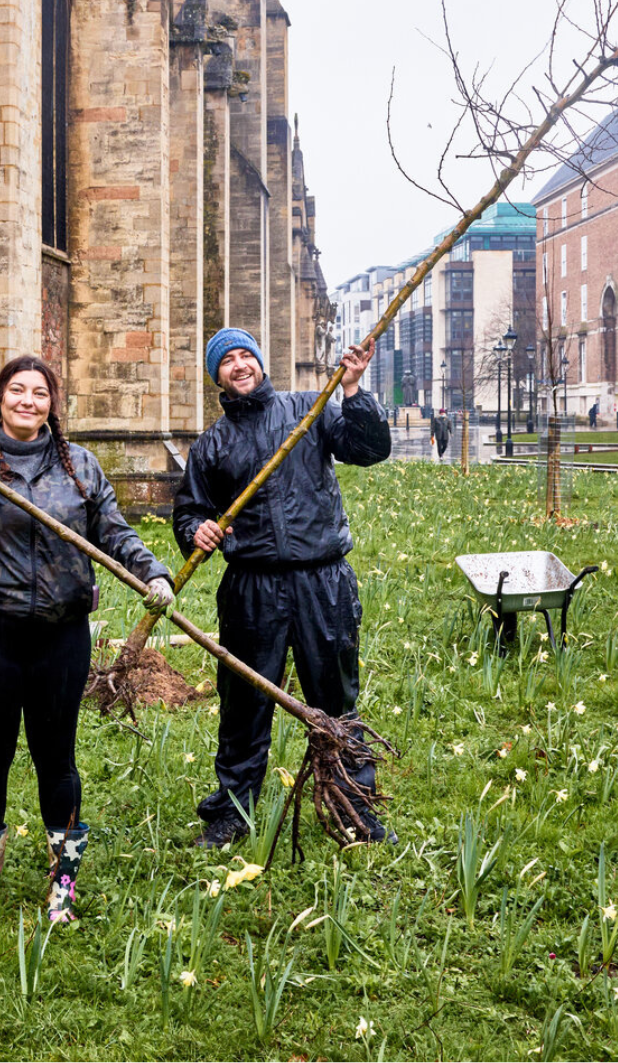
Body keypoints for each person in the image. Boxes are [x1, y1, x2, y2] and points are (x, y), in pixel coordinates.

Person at [0, 355, 175, 926]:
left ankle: (62, 885)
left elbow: (112, 530)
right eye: (17, 390)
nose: (27, 401)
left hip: (60, 635)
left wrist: (152, 572)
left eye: (39, 393)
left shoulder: (80, 465)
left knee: (56, 759)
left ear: (51, 405)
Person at [174, 327, 394, 849]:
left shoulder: (308, 408)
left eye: (246, 354)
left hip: (323, 581)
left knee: (335, 698)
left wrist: (354, 392)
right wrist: (195, 532)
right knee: (244, 702)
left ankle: (352, 809)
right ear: (217, 377)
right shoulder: (211, 445)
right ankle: (231, 812)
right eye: (226, 361)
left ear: (260, 363)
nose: (239, 365)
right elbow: (189, 512)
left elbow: (370, 449)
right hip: (252, 588)